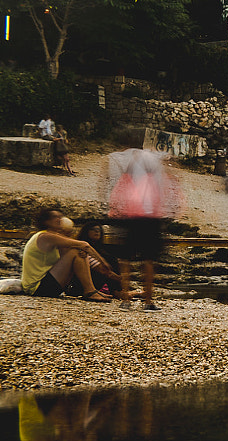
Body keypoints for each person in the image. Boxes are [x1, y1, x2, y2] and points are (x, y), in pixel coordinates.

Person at [107, 131, 180, 311]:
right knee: (148, 261)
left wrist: (113, 211)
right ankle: (148, 301)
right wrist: (173, 210)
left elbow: (115, 192)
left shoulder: (123, 164)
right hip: (150, 218)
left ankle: (126, 299)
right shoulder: (153, 164)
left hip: (130, 216)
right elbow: (167, 187)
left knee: (126, 259)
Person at [20, 209, 113, 302]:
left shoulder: (54, 237)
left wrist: (81, 251)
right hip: (37, 288)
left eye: (60, 217)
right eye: (55, 217)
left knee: (77, 251)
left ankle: (92, 290)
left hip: (47, 286)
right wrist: (103, 263)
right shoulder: (45, 236)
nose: (60, 219)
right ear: (46, 221)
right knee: (76, 251)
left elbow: (75, 250)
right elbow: (84, 245)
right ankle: (90, 291)